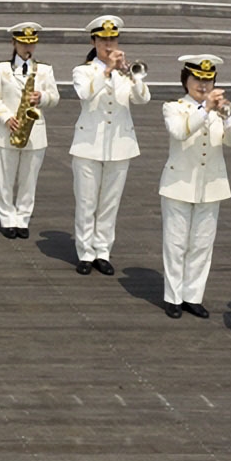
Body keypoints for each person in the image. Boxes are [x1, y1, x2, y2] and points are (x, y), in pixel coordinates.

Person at [158, 54, 231, 318]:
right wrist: (205, 109)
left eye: (208, 80)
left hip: (211, 185)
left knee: (202, 243)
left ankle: (192, 296)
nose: (203, 85)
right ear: (186, 81)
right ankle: (173, 296)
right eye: (197, 79)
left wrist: (227, 117)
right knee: (176, 242)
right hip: (179, 183)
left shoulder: (218, 110)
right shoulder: (173, 107)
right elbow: (180, 132)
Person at [69, 15, 148, 276]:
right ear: (94, 40)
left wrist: (132, 76)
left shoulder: (125, 72)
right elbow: (85, 93)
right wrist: (106, 71)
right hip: (88, 144)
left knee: (109, 202)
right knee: (87, 200)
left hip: (119, 145)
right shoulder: (83, 71)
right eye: (103, 40)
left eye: (113, 39)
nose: (109, 44)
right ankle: (84, 251)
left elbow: (142, 99)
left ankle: (102, 250)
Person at [0, 22, 60, 239]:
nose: (28, 48)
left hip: (34, 132)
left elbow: (54, 97)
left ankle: (23, 218)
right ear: (14, 43)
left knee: (29, 179)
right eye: (23, 43)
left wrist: (42, 98)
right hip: (7, 130)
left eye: (32, 44)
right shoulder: (1, 68)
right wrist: (7, 117)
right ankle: (7, 218)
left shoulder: (44, 70)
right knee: (5, 178)